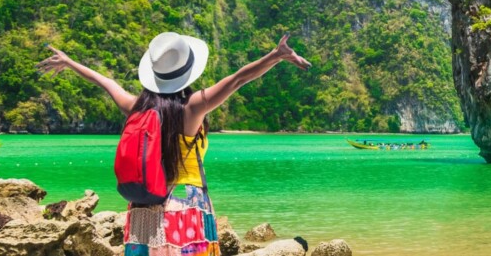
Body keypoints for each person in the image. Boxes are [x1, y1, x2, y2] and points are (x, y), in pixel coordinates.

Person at [37, 32, 310, 256]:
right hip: (185, 204)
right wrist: (276, 56)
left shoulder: (138, 107)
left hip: (143, 204)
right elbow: (238, 79)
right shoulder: (193, 107)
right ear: (187, 72)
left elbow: (106, 82)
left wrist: (70, 63)